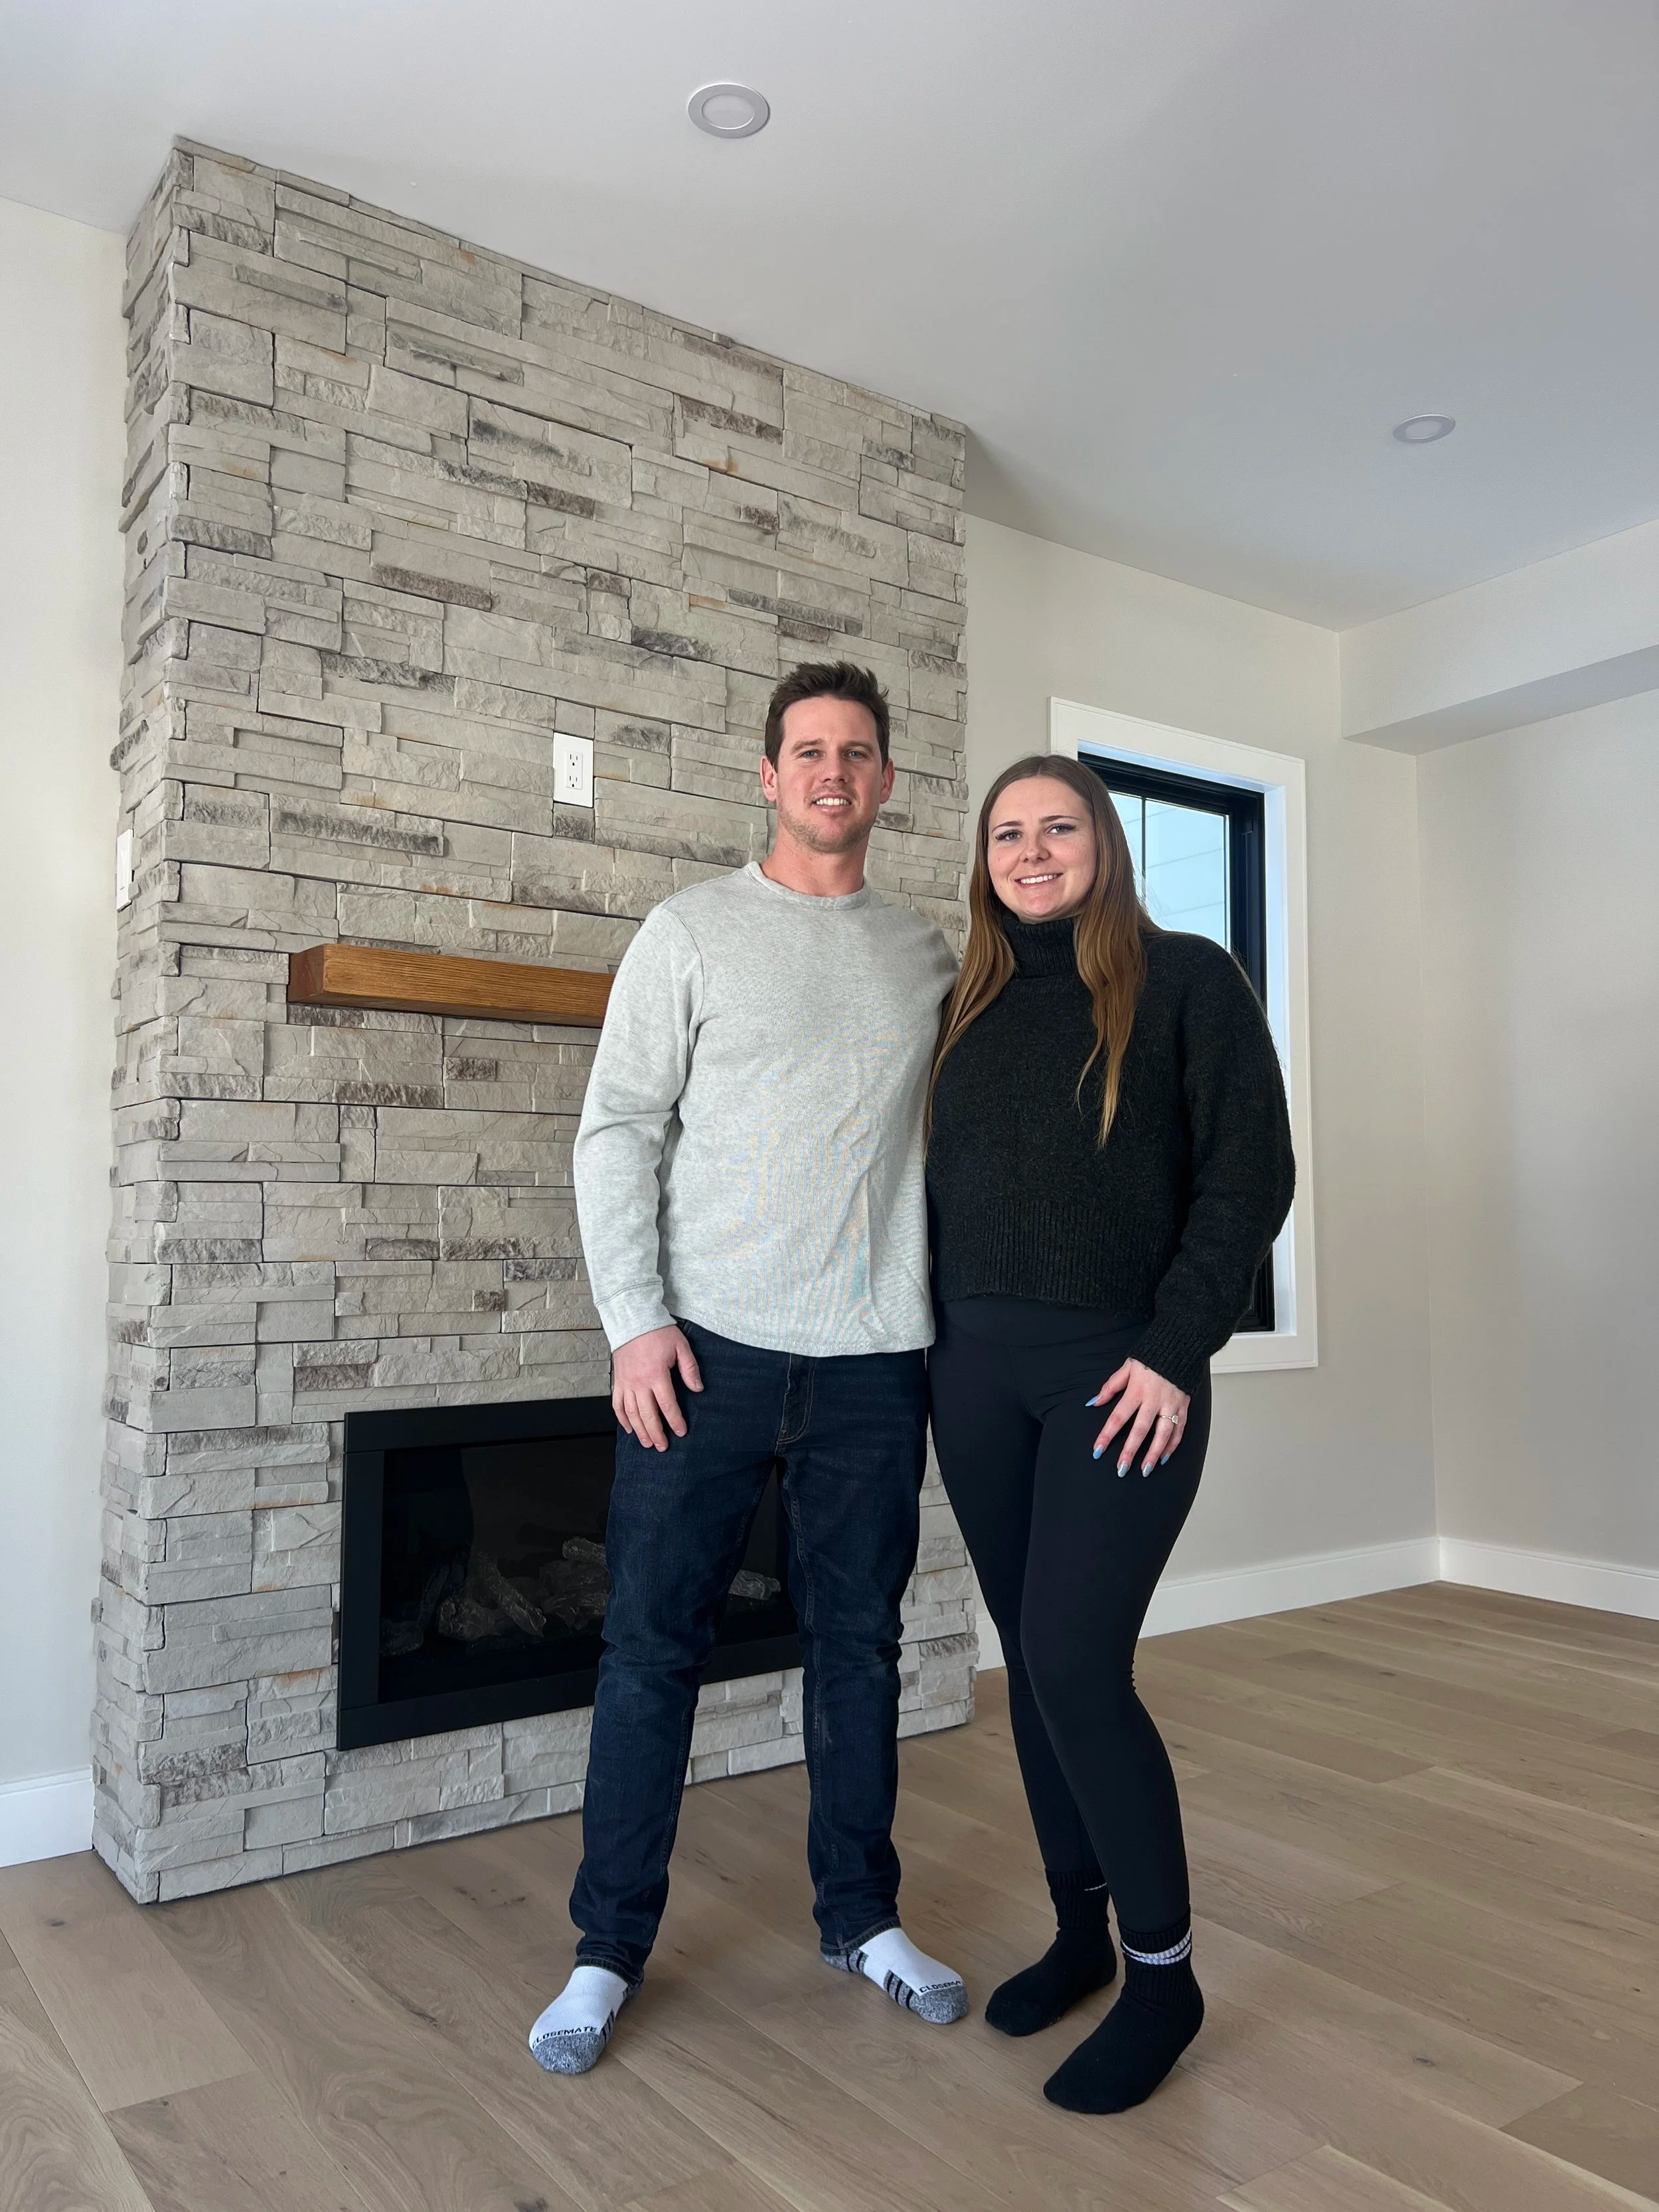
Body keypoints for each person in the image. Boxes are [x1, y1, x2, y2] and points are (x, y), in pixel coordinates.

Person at [527, 662, 965, 2075]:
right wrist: (633, 1320)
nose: (832, 771)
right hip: (700, 1357)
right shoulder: (690, 931)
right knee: (650, 1650)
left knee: (860, 1648)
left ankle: (862, 1919)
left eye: (857, 750)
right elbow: (617, 1131)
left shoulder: (931, 959)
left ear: (885, 781)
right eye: (806, 751)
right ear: (767, 777)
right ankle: (605, 1952)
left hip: (872, 1366)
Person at [925, 753, 1294, 2114]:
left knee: (1079, 1665)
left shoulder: (1187, 977)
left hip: (1116, 1375)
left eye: (1057, 826)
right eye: (1007, 832)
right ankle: (1078, 1933)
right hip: (968, 1374)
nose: (1031, 849)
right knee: (1030, 1665)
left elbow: (1252, 1171)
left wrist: (1172, 1345)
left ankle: (1163, 1975)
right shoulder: (962, 1004)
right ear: (985, 857)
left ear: (1104, 842)